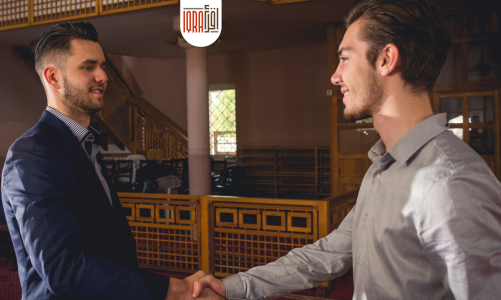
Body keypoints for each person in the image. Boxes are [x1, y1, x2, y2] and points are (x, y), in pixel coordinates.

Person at [191, 0, 501, 299]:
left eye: (345, 58)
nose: (335, 76)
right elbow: (333, 251)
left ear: (386, 59)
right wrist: (232, 288)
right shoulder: (383, 165)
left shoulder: (449, 182)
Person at [1, 22, 219, 300]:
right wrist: (171, 290)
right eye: (88, 67)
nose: (103, 76)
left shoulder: (84, 143)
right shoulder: (33, 155)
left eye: (103, 66)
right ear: (53, 77)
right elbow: (63, 270)